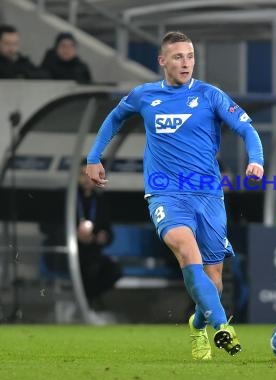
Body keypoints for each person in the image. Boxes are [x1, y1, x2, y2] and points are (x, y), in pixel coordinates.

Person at [85, 31, 263, 359]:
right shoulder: (145, 95)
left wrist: (256, 160)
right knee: (186, 251)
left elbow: (246, 129)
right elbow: (114, 119)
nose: (186, 63)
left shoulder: (211, 95)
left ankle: (197, 327)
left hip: (209, 196)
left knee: (213, 282)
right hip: (166, 194)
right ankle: (224, 328)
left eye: (190, 56)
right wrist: (94, 156)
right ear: (162, 61)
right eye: (178, 57)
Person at [41, 166, 122, 315]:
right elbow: (46, 227)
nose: (86, 179)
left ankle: (85, 302)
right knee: (87, 266)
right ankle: (88, 304)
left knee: (113, 270)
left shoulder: (100, 200)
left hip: (92, 253)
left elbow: (109, 233)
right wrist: (73, 234)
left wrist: (103, 236)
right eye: (82, 174)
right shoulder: (64, 197)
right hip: (65, 254)